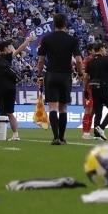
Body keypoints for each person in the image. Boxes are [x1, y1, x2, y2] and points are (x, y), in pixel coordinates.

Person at [36, 14, 84, 145]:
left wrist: (39, 74)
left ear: (54, 24)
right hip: (65, 76)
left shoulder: (46, 39)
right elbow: (79, 60)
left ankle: (55, 137)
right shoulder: (72, 40)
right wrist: (80, 73)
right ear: (65, 24)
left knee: (52, 107)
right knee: (63, 108)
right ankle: (62, 137)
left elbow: (40, 60)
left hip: (51, 75)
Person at [86, 41, 108, 141]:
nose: (106, 50)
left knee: (98, 112)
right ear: (101, 49)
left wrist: (86, 89)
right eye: (105, 48)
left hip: (93, 88)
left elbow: (86, 77)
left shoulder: (90, 62)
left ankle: (97, 135)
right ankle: (101, 128)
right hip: (103, 87)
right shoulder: (106, 59)